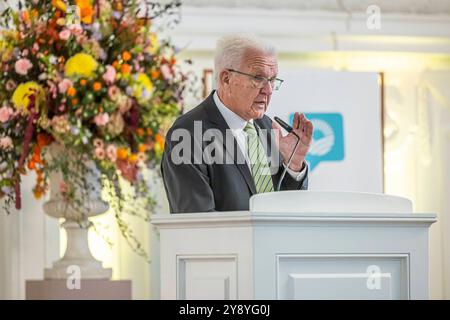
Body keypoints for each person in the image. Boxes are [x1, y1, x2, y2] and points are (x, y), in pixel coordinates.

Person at [161, 33, 313, 213]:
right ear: (226, 79)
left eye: (272, 80)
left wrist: (293, 165)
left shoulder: (266, 126)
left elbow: (284, 210)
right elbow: (196, 221)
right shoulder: (188, 134)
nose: (268, 90)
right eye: (258, 78)